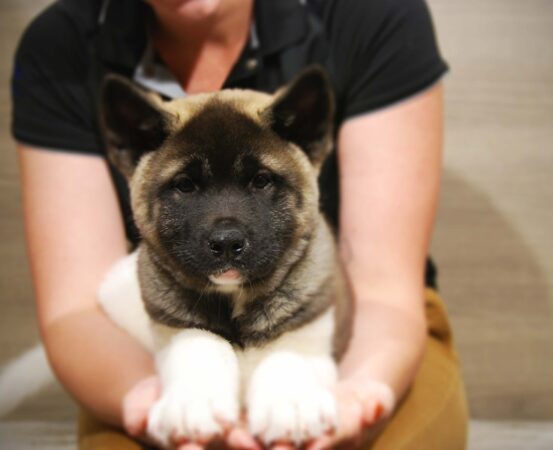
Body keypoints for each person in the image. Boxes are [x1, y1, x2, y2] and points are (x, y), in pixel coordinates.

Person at [11, 0, 468, 448]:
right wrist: (147, 397)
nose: (226, 232)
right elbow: (77, 310)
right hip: (156, 329)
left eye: (263, 181)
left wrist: (360, 390)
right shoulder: (64, 44)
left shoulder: (372, 12)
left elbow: (384, 292)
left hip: (366, 324)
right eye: (185, 187)